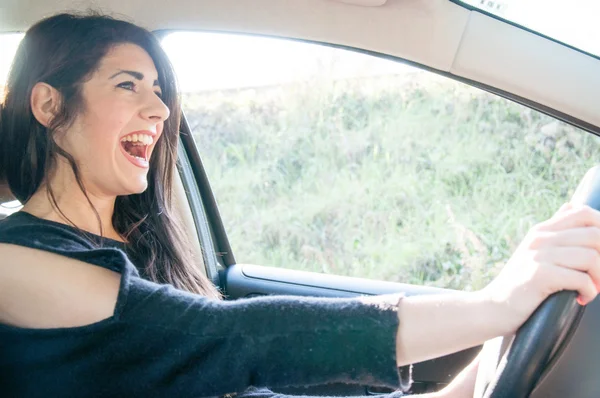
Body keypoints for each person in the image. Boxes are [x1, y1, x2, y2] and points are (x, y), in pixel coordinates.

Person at [0, 12, 599, 398]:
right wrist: (491, 306)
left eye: (159, 92)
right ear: (50, 106)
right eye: (128, 84)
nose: (158, 112)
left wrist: (495, 342)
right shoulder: (16, 262)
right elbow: (235, 339)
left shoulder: (142, 240)